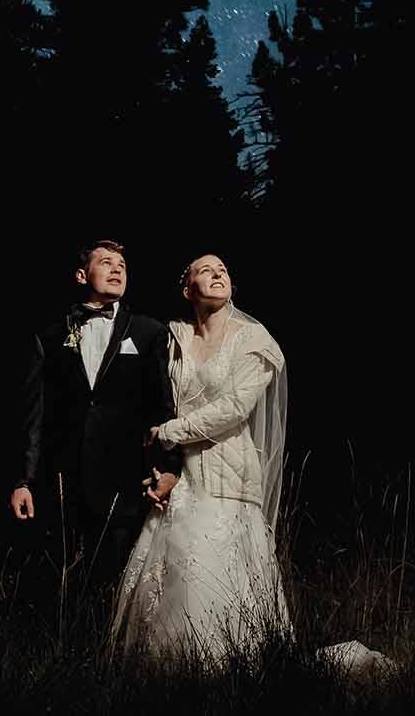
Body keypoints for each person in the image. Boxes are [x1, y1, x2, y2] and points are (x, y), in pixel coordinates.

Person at [112, 252, 291, 661]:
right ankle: (168, 676)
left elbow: (234, 408)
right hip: (179, 478)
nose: (218, 273)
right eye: (206, 270)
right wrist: (158, 458)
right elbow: (156, 399)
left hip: (228, 477)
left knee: (211, 579)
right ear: (187, 288)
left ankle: (226, 671)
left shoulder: (255, 341)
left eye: (224, 268)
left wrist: (170, 433)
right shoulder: (172, 335)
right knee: (171, 578)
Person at [12, 240, 176, 607]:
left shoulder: (149, 332)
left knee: (114, 582)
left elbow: (162, 407)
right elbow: (33, 415)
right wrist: (24, 480)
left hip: (125, 477)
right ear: (82, 275)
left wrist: (167, 468)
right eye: (106, 262)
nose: (118, 269)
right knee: (54, 582)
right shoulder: (51, 334)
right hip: (63, 478)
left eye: (123, 264)